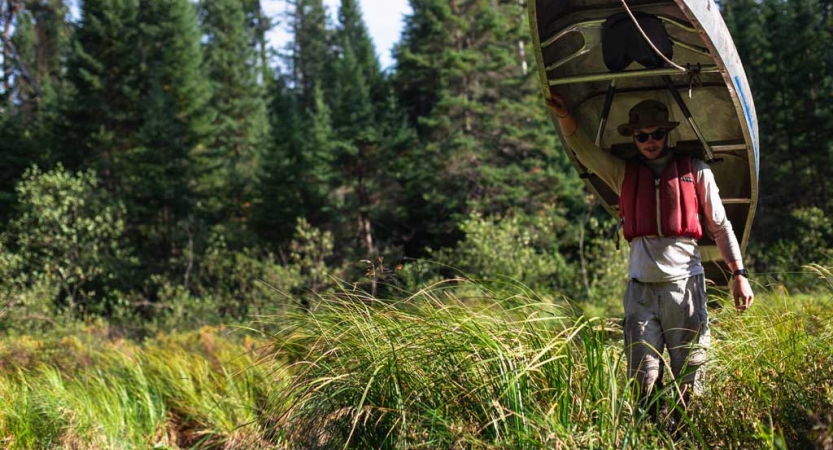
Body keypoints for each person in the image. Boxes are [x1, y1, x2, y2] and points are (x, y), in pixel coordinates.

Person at [546, 95, 754, 430]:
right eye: (641, 136)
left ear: (667, 134)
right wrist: (564, 114)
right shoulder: (622, 173)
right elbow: (583, 149)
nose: (650, 142)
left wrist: (739, 274)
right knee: (643, 377)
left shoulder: (695, 171)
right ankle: (651, 435)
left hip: (684, 287)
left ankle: (685, 435)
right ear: (633, 138)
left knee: (690, 374)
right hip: (640, 292)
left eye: (656, 134)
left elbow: (720, 226)